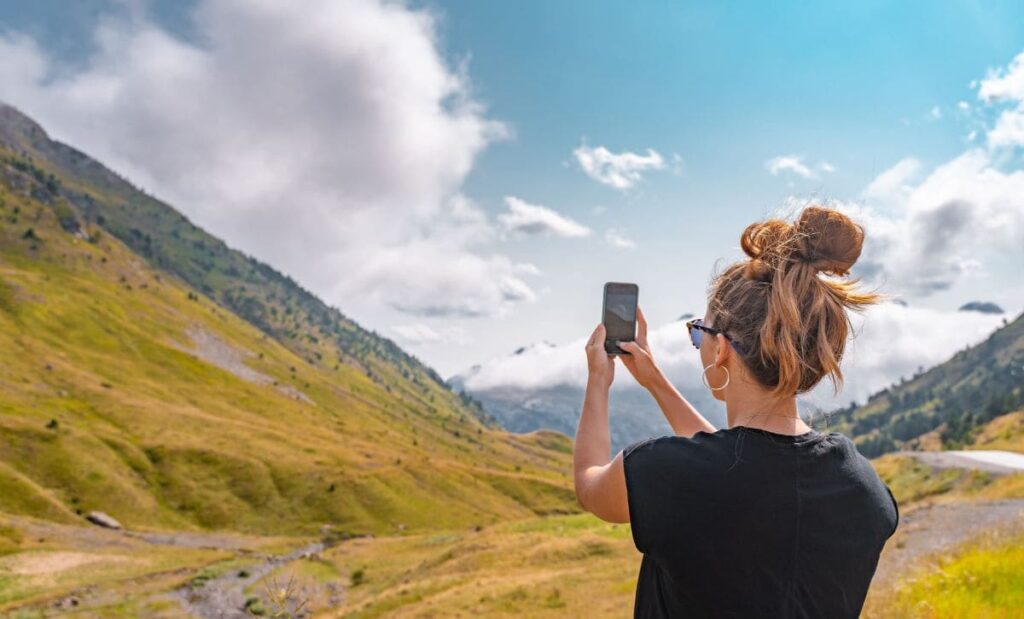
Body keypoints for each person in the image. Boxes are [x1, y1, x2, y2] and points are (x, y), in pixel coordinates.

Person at [573, 205, 899, 618]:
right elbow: (744, 467)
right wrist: (655, 381)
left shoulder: (668, 473)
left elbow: (590, 487)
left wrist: (598, 382)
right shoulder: (862, 487)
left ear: (722, 347)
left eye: (700, 332)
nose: (700, 344)